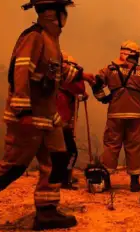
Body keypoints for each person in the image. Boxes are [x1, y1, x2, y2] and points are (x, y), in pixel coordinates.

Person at [0, 0, 95, 230]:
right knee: (14, 165)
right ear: (53, 11)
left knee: (58, 160)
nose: (66, 15)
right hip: (30, 116)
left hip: (48, 116)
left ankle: (47, 211)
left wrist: (83, 75)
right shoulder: (34, 37)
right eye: (64, 9)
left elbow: (53, 71)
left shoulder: (51, 40)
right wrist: (23, 111)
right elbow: (21, 72)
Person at [92, 40, 140, 192]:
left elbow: (95, 82)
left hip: (115, 114)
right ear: (136, 55)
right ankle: (134, 182)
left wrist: (102, 98)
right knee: (134, 146)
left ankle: (106, 181)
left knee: (111, 146)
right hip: (136, 115)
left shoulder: (109, 69)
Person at [57, 51, 88, 190]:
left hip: (53, 123)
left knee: (57, 152)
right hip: (61, 124)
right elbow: (80, 87)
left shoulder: (56, 85)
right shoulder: (66, 81)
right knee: (72, 152)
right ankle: (65, 180)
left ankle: (60, 177)